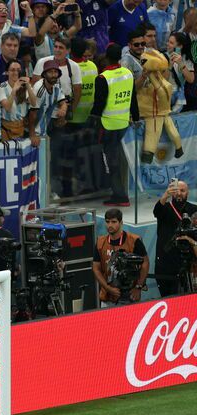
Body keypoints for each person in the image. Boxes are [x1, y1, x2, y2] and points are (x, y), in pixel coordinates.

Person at [91, 44, 133, 208]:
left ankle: (119, 194)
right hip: (123, 124)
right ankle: (118, 191)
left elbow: (99, 104)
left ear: (107, 57)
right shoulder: (127, 73)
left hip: (107, 124)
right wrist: (134, 117)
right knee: (114, 159)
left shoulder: (103, 78)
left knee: (111, 161)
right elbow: (133, 98)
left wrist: (93, 118)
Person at [92, 208, 149, 307]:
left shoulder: (134, 241)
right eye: (107, 222)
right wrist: (107, 288)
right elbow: (96, 268)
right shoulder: (100, 242)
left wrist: (138, 287)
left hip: (130, 294)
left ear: (121, 222)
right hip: (108, 295)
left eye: (114, 222)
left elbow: (145, 263)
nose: (110, 225)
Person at [151, 179, 197, 297]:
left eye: (183, 190)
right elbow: (156, 211)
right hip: (165, 263)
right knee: (167, 298)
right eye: (176, 190)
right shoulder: (165, 208)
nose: (179, 193)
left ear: (188, 193)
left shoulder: (194, 210)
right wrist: (166, 194)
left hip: (186, 262)